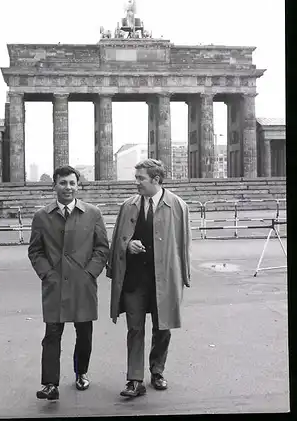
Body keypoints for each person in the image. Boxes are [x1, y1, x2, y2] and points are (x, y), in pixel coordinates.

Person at [107, 159, 191, 397]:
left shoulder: (178, 205)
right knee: (134, 329)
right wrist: (127, 244)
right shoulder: (128, 205)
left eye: (141, 178)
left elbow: (184, 243)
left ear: (156, 179)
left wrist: (184, 275)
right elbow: (117, 241)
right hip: (134, 280)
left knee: (162, 328)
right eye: (136, 178)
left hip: (164, 279)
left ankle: (157, 371)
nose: (137, 183)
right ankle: (134, 380)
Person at [28, 165, 109, 401]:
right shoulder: (42, 216)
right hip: (55, 286)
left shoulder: (92, 213)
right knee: (52, 334)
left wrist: (90, 273)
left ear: (78, 185)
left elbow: (102, 248)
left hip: (83, 284)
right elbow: (35, 251)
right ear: (54, 185)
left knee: (84, 333)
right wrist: (47, 274)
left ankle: (81, 372)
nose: (68, 188)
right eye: (63, 183)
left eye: (72, 183)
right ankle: (50, 384)